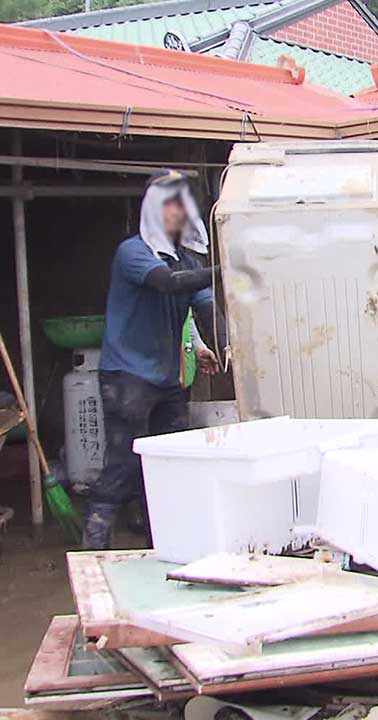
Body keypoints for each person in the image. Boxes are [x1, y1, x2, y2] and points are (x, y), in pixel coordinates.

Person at [85, 169, 221, 550]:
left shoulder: (188, 262)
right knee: (124, 464)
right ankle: (94, 548)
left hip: (168, 379)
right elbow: (167, 284)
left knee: (168, 463)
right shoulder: (133, 252)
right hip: (127, 376)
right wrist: (229, 270)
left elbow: (206, 309)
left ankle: (159, 542)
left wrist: (227, 348)